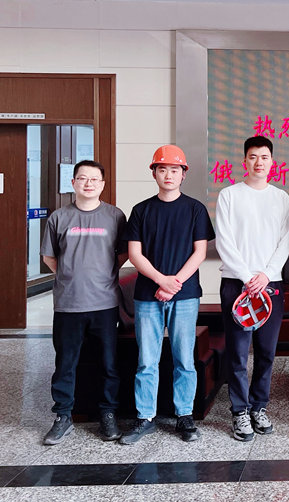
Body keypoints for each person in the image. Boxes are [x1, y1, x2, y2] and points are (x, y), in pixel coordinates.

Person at [119, 145, 215, 445]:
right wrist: (161, 280)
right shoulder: (141, 210)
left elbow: (200, 252)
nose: (169, 175)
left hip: (185, 295)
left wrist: (175, 283)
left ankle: (184, 416)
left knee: (184, 359)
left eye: (175, 170)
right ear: (154, 173)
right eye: (163, 169)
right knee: (147, 360)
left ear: (183, 174)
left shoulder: (195, 209)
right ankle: (145, 416)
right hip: (148, 296)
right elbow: (134, 254)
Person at [40, 160, 127, 445]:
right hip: (69, 304)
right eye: (82, 178)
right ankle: (63, 416)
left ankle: (108, 413)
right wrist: (70, 276)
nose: (88, 183)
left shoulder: (115, 216)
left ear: (102, 184)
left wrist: (102, 275)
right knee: (65, 363)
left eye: (94, 179)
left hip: (105, 303)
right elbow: (49, 256)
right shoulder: (59, 217)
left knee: (108, 363)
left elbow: (124, 253)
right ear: (73, 182)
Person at [216, 136, 289, 442]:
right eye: (253, 157)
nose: (258, 162)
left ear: (272, 162)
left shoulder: (282, 198)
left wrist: (265, 275)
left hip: (270, 284)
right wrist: (248, 277)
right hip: (237, 283)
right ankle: (240, 411)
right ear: (244, 161)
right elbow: (224, 240)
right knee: (237, 353)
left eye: (264, 157)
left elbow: (285, 242)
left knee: (266, 352)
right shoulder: (229, 195)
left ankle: (259, 406)